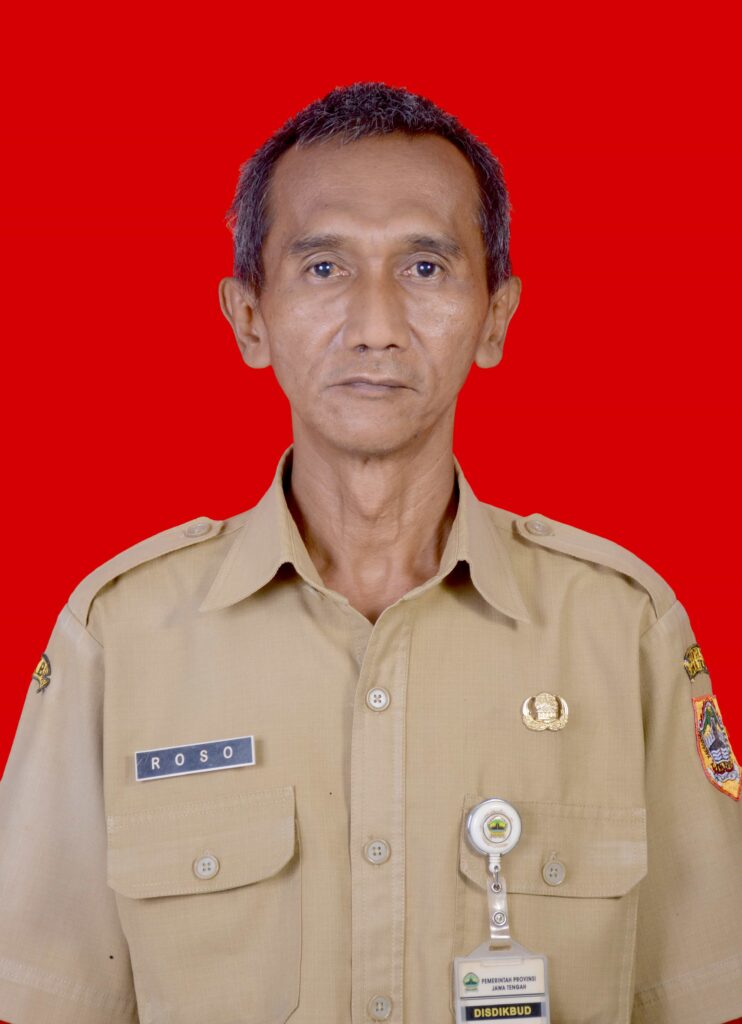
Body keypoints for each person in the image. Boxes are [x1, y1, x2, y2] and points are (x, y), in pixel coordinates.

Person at [0, 82, 740, 1024]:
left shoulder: (622, 628)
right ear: (249, 318)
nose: (377, 325)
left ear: (496, 317)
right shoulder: (120, 636)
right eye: (324, 267)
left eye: (426, 267)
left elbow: (697, 993)